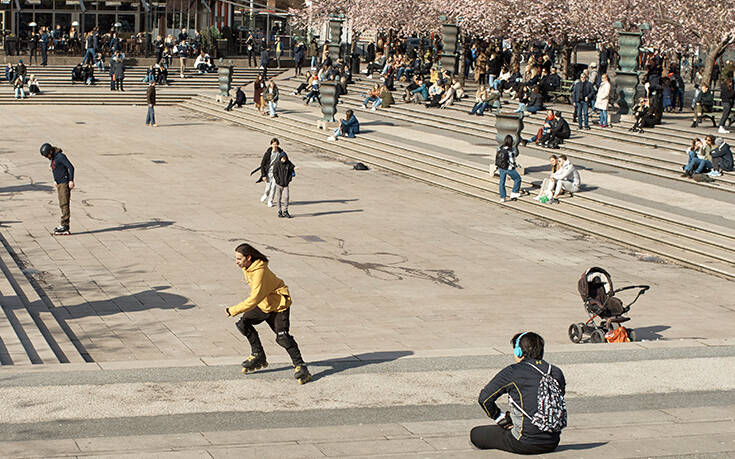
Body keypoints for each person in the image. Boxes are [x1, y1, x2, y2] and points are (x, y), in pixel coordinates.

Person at [226, 243, 311, 384]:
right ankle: (258, 354)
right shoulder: (247, 267)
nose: (236, 262)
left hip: (278, 306)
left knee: (283, 338)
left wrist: (233, 310)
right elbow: (258, 297)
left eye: (239, 259)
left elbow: (254, 298)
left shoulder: (260, 271)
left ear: (249, 257)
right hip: (264, 304)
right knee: (243, 324)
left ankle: (300, 366)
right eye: (236, 258)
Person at [471, 332, 566, 454]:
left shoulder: (513, 371)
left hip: (523, 442)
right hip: (552, 442)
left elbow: (484, 399)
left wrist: (500, 418)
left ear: (518, 352)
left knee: (475, 434)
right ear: (541, 351)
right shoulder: (556, 371)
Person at [40, 143, 75, 236]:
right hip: (59, 183)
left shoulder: (60, 157)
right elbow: (56, 170)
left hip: (64, 183)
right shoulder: (53, 158)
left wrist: (71, 180)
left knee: (64, 203)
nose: (47, 157)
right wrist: (55, 180)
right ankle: (63, 224)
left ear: (51, 151)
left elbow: (71, 167)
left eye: (47, 155)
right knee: (61, 203)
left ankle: (65, 225)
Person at [495, 135, 522, 203]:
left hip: (501, 167)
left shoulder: (500, 148)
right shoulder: (510, 151)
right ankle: (514, 192)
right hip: (509, 168)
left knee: (502, 182)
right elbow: (512, 161)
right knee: (517, 179)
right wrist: (516, 166)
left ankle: (502, 197)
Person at [258, 138, 283, 207]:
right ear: (271, 144)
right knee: (268, 188)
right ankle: (265, 194)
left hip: (276, 173)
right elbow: (262, 164)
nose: (275, 145)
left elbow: (286, 161)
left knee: (274, 187)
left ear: (278, 145)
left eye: (276, 144)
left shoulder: (280, 153)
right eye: (273, 144)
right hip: (268, 173)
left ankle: (270, 200)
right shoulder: (268, 153)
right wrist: (263, 175)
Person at [273, 151, 295, 218]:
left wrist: (289, 179)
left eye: (285, 158)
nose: (283, 159)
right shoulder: (277, 164)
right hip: (279, 184)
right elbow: (275, 173)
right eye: (282, 158)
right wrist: (277, 180)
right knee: (279, 198)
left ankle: (285, 210)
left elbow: (292, 169)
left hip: (286, 184)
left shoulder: (288, 164)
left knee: (286, 197)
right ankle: (279, 211)